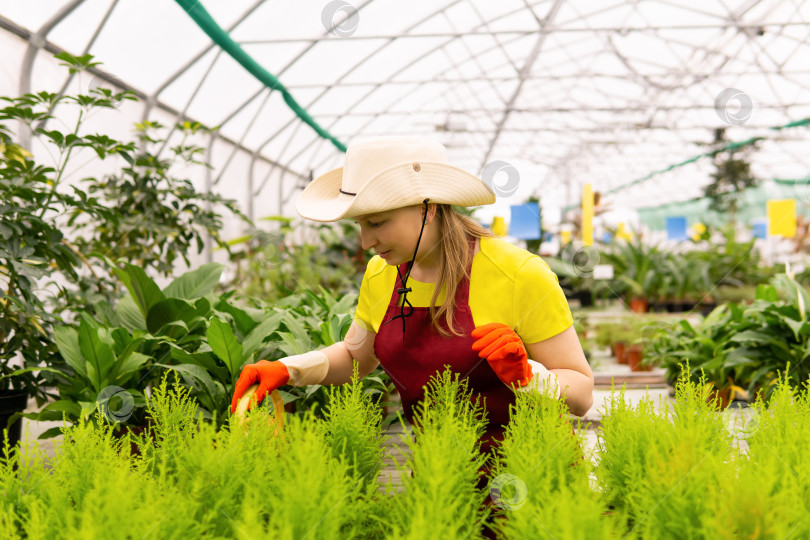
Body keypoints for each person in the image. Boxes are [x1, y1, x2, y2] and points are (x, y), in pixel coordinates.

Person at [230, 136, 594, 447]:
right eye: (360, 224)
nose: (366, 241)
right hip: (441, 478)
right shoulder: (382, 273)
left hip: (532, 475)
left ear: (429, 209)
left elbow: (581, 393)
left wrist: (529, 375)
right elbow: (358, 356)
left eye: (376, 223)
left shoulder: (518, 274)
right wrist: (288, 368)